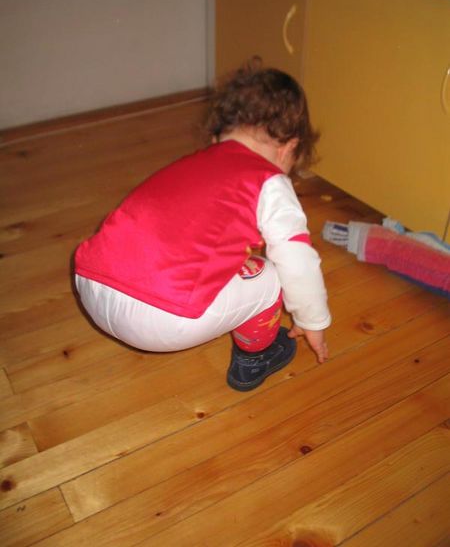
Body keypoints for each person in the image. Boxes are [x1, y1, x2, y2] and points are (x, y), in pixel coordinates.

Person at [74, 60, 331, 392]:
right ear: (289, 149)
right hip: (160, 320)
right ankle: (255, 357)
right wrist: (312, 321)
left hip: (92, 285)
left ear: (216, 137)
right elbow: (297, 261)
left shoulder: (191, 163)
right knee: (272, 274)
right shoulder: (269, 180)